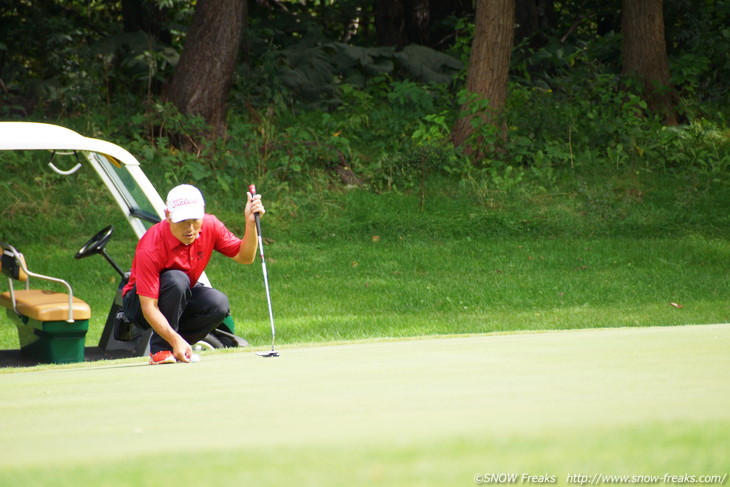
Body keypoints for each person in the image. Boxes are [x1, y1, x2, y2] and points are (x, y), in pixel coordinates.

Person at [122, 184, 265, 364]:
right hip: (140, 306)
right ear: (168, 216)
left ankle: (178, 348)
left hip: (178, 295)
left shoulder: (210, 225)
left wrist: (250, 223)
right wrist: (173, 340)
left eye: (195, 220)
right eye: (182, 221)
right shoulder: (151, 245)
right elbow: (148, 307)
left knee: (217, 304)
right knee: (177, 280)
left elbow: (245, 257)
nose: (189, 228)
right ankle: (161, 350)